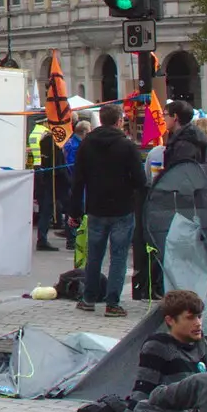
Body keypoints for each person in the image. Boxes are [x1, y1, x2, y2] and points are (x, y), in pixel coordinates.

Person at [80, 289, 207, 412]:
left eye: (199, 316)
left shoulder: (197, 342)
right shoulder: (158, 346)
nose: (198, 323)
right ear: (170, 320)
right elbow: (141, 392)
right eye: (190, 318)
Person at [70, 103, 145, 318]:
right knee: (119, 256)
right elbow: (140, 180)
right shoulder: (127, 146)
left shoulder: (86, 144)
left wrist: (75, 211)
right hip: (122, 207)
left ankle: (89, 298)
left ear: (100, 120)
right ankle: (112, 303)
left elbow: (78, 180)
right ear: (119, 120)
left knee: (95, 255)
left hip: (96, 207)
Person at [163, 99, 207, 167]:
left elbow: (179, 173)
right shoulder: (193, 136)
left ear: (175, 117)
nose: (163, 118)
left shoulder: (184, 144)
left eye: (165, 114)